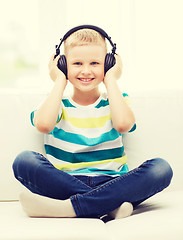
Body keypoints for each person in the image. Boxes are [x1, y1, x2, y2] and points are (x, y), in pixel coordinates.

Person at [12, 26, 173, 219]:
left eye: (95, 63)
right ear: (63, 65)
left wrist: (111, 79)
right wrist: (59, 82)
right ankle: (108, 206)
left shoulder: (116, 100)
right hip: (66, 182)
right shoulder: (56, 103)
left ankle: (72, 207)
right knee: (24, 161)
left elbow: (123, 125)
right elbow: (44, 124)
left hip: (113, 182)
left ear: (109, 64)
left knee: (162, 168)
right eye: (77, 63)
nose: (86, 70)